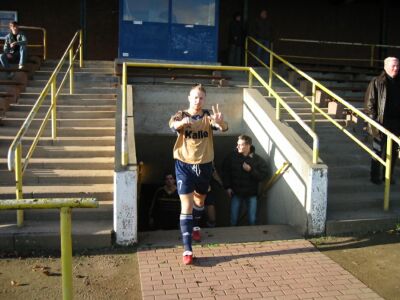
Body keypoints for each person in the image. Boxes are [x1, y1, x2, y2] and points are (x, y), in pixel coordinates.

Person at [169, 83, 228, 265]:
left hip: (204, 166)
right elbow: (173, 125)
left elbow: (224, 127)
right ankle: (187, 250)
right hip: (184, 165)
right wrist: (181, 123)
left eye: (201, 97)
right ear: (189, 98)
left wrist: (220, 122)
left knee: (200, 201)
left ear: (204, 99)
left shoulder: (208, 115)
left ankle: (195, 225)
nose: (198, 100)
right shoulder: (181, 114)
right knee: (186, 205)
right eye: (195, 97)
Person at [364, 56, 400, 185]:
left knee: (394, 151)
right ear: (386, 67)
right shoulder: (377, 82)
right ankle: (375, 177)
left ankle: (388, 176)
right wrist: (374, 122)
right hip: (381, 123)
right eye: (393, 66)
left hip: (396, 123)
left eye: (397, 66)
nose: (396, 68)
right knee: (378, 150)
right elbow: (369, 104)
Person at [222, 134, 269, 226]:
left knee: (252, 220)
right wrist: (227, 187)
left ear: (248, 145)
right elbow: (225, 172)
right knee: (233, 219)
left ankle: (254, 239)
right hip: (236, 193)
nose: (237, 146)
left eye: (240, 144)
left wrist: (251, 170)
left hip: (251, 194)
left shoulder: (257, 160)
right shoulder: (231, 157)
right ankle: (232, 239)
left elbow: (263, 176)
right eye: (237, 144)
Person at [204, 163, 224, 228]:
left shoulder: (209, 163)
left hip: (208, 192)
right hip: (194, 193)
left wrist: (221, 183)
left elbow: (215, 174)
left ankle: (211, 231)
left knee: (212, 219)